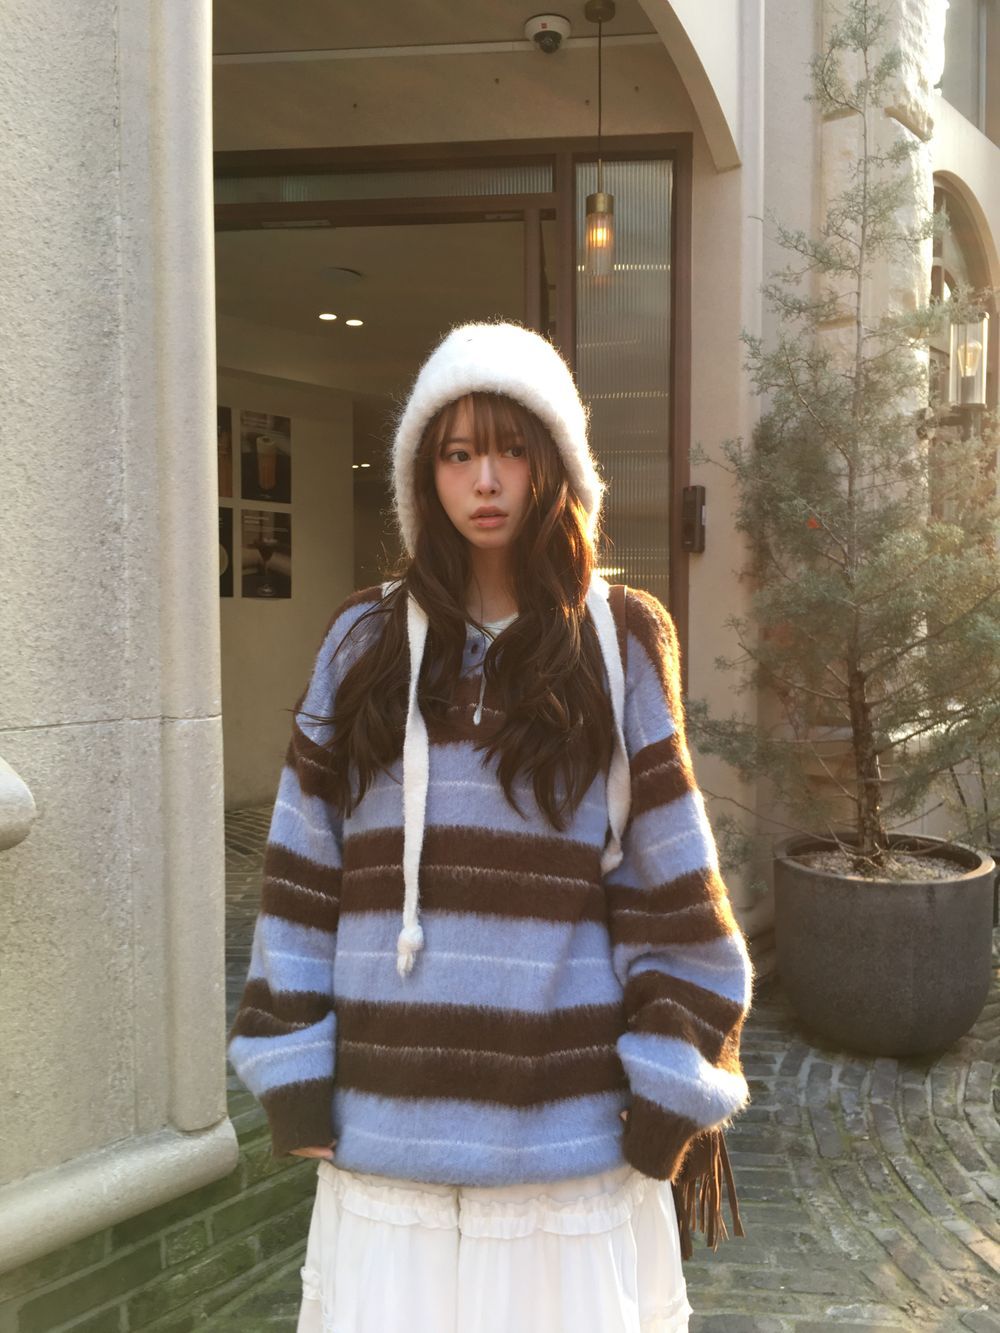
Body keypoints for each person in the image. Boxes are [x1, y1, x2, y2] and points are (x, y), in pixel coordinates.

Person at [227, 320, 755, 1333]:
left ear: (555, 462)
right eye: (457, 452)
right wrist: (292, 1067)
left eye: (510, 448)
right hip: (385, 1145)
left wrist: (667, 1089)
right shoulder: (363, 642)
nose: (484, 479)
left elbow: (671, 884)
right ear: (423, 475)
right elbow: (302, 868)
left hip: (563, 1155)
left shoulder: (616, 640)